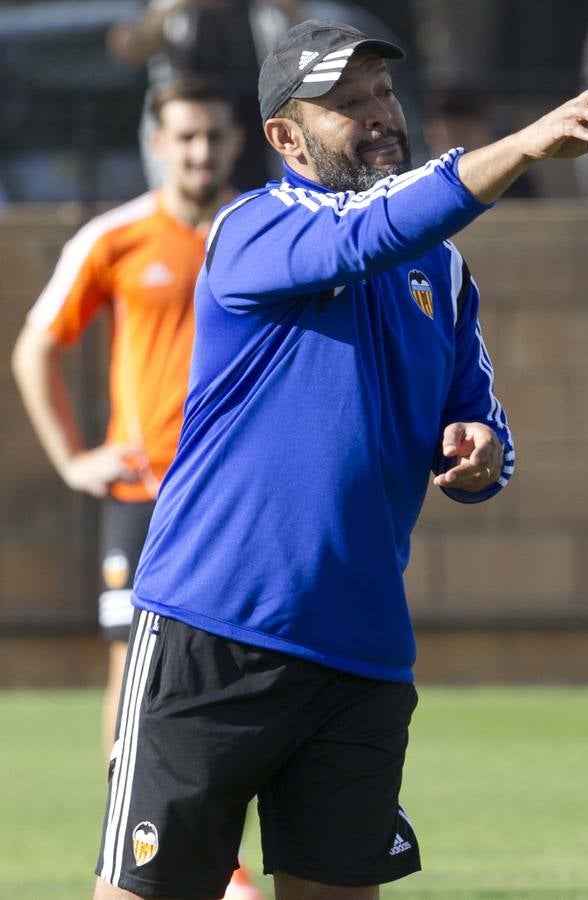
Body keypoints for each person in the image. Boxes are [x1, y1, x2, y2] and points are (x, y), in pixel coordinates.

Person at [91, 19, 588, 900]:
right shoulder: (254, 229)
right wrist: (526, 145)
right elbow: (364, 235)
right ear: (284, 137)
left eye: (382, 93)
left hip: (362, 655)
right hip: (213, 628)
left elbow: (483, 425)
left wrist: (480, 451)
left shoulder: (444, 273)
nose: (379, 115)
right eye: (346, 104)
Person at [14, 77, 264, 900]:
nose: (199, 152)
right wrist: (72, 460)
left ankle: (222, 852)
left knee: (245, 675)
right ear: (157, 142)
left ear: (237, 141)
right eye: (185, 137)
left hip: (238, 499)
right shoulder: (114, 238)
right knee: (135, 676)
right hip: (146, 500)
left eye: (213, 137)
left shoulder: (258, 230)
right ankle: (172, 860)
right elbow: (34, 349)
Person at [108, 0, 302, 190]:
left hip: (256, 127)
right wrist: (170, 7)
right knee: (186, 198)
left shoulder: (267, 11)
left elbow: (307, 53)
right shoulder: (169, 9)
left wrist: (288, 9)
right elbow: (128, 50)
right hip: (187, 122)